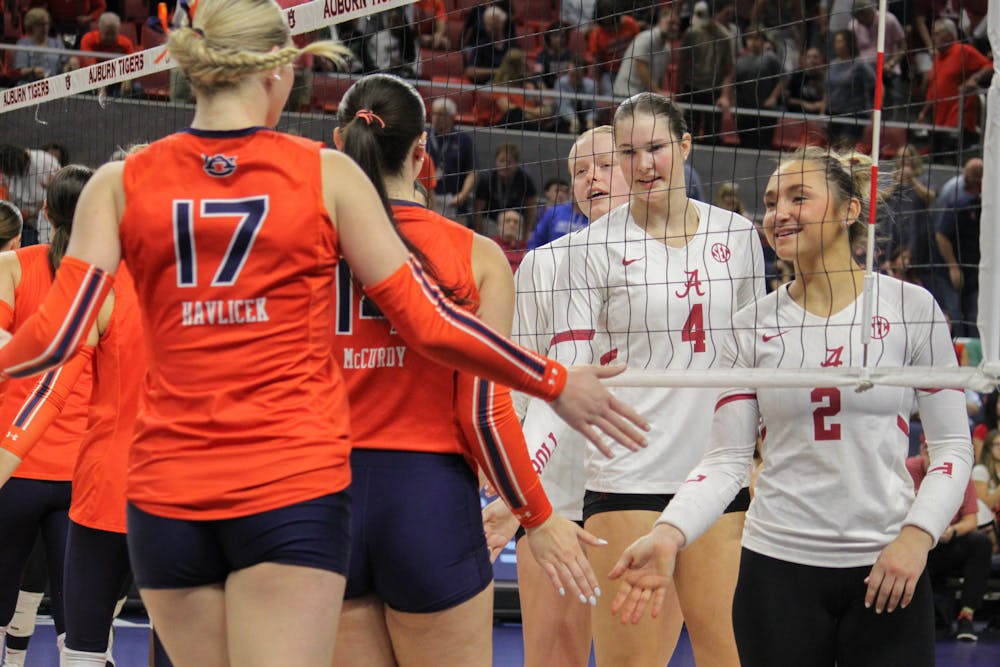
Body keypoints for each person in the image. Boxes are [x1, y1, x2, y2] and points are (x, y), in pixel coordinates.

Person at [0, 2, 648, 665]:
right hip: (299, 488)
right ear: (276, 72)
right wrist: (552, 380)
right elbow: (430, 324)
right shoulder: (320, 175)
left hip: (171, 491)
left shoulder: (119, 183)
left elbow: (52, 337)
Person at [610, 146, 974, 667]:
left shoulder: (910, 308)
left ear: (850, 210)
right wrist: (670, 532)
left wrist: (918, 537)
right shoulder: (750, 325)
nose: (778, 212)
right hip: (777, 569)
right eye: (770, 201)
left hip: (889, 564)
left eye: (798, 197)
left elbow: (953, 447)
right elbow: (727, 461)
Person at [329, 73, 606, 667]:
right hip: (427, 499)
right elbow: (483, 412)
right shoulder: (476, 254)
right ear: (422, 151)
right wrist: (537, 516)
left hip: (325, 496)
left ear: (340, 143)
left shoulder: (308, 248)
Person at [529, 93, 765, 667]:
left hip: (717, 478)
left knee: (729, 654)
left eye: (655, 148)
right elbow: (566, 381)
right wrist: (523, 481)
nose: (643, 165)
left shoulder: (736, 236)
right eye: (629, 152)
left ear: (685, 146)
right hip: (628, 477)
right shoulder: (591, 247)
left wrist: (762, 456)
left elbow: (755, 363)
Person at [484, 125, 631, 667]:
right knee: (552, 652)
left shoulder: (676, 261)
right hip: (555, 482)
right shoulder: (543, 263)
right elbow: (519, 381)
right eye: (580, 171)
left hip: (636, 482)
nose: (592, 178)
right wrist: (513, 482)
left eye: (605, 165)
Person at [0, 166, 98, 666]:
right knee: (80, 629)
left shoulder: (13, 265)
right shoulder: (114, 280)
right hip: (84, 473)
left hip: (12, 463)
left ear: (44, 211)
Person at [907, 438, 993, 642]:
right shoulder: (907, 469)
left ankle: (966, 615)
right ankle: (906, 620)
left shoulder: (959, 472)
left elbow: (971, 520)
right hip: (913, 541)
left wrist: (952, 530)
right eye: (929, 450)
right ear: (922, 450)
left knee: (981, 543)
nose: (933, 455)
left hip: (946, 542)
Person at [917, 18, 992, 157]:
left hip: (957, 121)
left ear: (949, 36)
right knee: (934, 159)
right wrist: (923, 112)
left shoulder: (963, 51)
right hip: (937, 123)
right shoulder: (938, 57)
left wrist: (974, 78)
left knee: (948, 159)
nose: (933, 38)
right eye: (933, 34)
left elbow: (989, 66)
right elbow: (935, 89)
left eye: (937, 34)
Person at [426, 98, 477, 224]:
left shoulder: (463, 139)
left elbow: (473, 171)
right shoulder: (423, 137)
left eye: (442, 114)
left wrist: (463, 195)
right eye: (435, 114)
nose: (437, 118)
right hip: (427, 198)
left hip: (454, 200)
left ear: (452, 117)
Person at [0, 144, 61, 246]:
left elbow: (61, 191)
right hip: (23, 221)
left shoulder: (45, 161)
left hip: (48, 217)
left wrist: (46, 203)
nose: (9, 174)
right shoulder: (6, 173)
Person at [473, 143, 539, 236]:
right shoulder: (487, 179)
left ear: (516, 163)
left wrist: (527, 233)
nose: (504, 165)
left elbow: (531, 208)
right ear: (496, 161)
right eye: (501, 161)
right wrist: (479, 233)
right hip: (491, 221)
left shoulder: (524, 178)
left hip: (514, 221)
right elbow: (478, 210)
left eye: (509, 162)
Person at [825, 29, 875, 147]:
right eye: (836, 42)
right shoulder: (832, 64)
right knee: (832, 149)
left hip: (853, 115)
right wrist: (823, 113)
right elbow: (826, 91)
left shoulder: (859, 64)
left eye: (840, 41)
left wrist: (874, 112)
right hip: (833, 113)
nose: (836, 45)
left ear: (849, 43)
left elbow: (877, 86)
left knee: (845, 149)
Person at [612, 8, 673, 99]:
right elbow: (641, 66)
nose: (675, 27)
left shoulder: (667, 48)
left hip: (643, 96)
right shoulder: (645, 38)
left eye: (677, 24)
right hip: (626, 93)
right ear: (660, 21)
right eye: (671, 23)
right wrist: (658, 92)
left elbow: (659, 78)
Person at [14, 8, 78, 83]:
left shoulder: (57, 43)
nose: (45, 27)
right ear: (32, 26)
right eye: (41, 25)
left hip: (54, 84)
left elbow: (64, 67)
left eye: (47, 24)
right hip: (30, 84)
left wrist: (70, 65)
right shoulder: (23, 44)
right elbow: (21, 71)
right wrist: (33, 70)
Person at [973, 429, 1000, 536]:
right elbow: (984, 505)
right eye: (997, 444)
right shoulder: (980, 470)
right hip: (991, 521)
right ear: (989, 447)